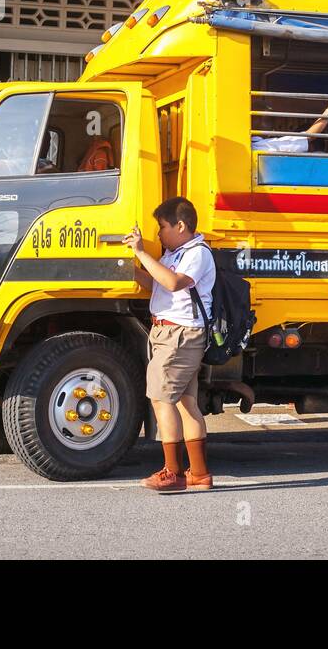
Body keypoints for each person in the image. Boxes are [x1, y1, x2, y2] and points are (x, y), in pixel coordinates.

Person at [125, 196, 217, 493]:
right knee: (186, 403)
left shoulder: (197, 252)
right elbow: (158, 283)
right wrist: (131, 270)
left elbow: (175, 282)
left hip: (181, 335)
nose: (159, 234)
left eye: (162, 227)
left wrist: (142, 252)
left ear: (181, 225)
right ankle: (199, 474)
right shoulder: (174, 252)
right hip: (170, 334)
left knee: (161, 399)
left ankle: (173, 473)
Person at [252, 91, 328, 152]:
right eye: (269, 119)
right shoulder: (259, 145)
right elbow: (310, 136)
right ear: (255, 120)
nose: (273, 126)